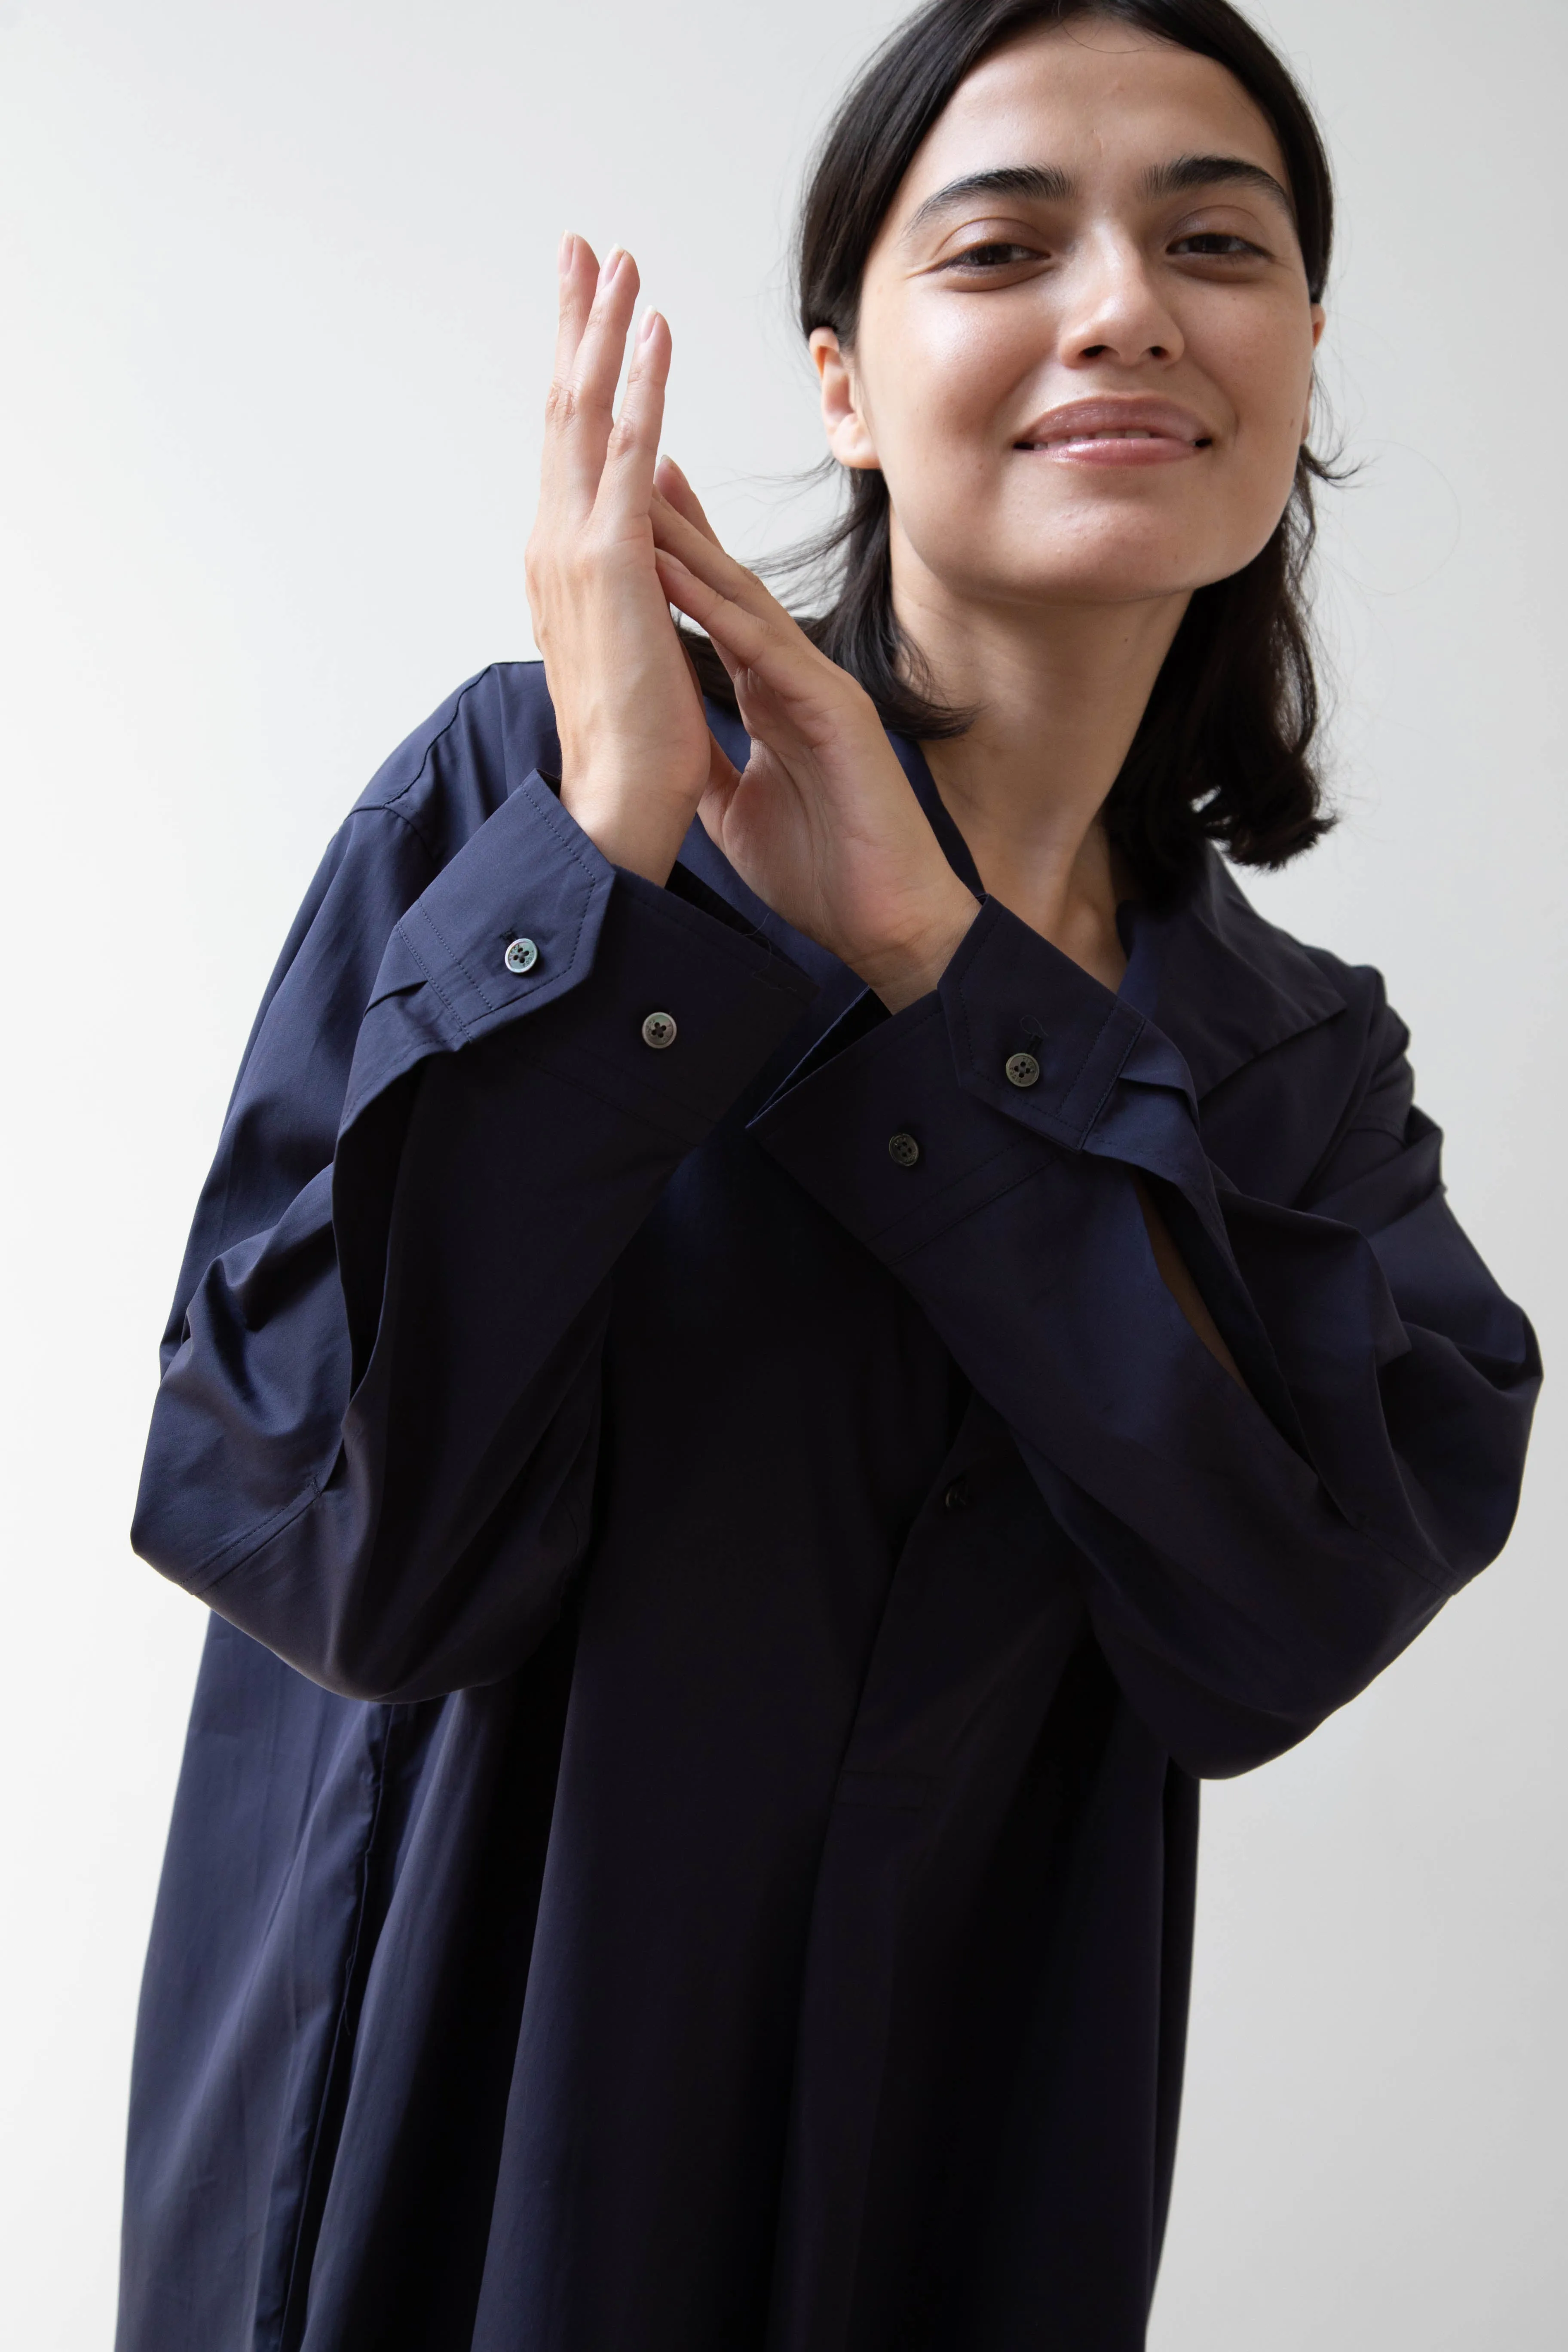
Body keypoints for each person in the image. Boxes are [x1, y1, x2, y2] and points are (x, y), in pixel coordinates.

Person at [117, 2, 1540, 2345]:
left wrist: (936, 973)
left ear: (1298, 358)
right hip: (441, 2190)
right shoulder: (541, 802)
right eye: (1004, 245)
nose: (1125, 307)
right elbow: (332, 1545)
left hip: (945, 2209)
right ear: (846, 384)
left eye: (1218, 240)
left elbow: (1275, 1618)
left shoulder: (1292, 1076)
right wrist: (609, 875)